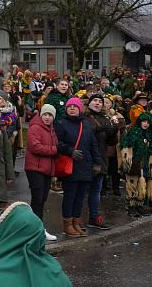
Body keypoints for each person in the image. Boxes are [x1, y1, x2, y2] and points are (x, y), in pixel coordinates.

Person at [54, 98, 102, 237]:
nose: (72, 109)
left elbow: (93, 145)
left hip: (85, 166)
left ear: (80, 109)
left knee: (80, 197)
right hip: (71, 166)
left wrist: (97, 162)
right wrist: (70, 151)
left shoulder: (85, 124)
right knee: (70, 196)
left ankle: (76, 222)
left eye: (75, 106)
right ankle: (67, 224)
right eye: (70, 106)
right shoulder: (62, 124)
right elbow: (58, 143)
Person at [24, 104, 59, 241]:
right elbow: (35, 147)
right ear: (41, 115)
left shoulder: (51, 129)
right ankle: (36, 230)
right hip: (35, 168)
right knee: (37, 199)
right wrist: (55, 149)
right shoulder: (35, 127)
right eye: (45, 114)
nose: (47, 117)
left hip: (46, 169)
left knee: (42, 199)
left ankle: (36, 228)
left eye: (50, 115)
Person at [83, 95, 116, 230]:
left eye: (100, 102)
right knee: (82, 191)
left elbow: (110, 143)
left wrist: (113, 132)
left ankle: (94, 217)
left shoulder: (105, 119)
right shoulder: (84, 118)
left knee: (96, 190)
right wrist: (101, 128)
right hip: (86, 159)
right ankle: (76, 219)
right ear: (89, 103)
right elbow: (86, 133)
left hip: (101, 159)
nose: (98, 103)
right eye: (95, 101)